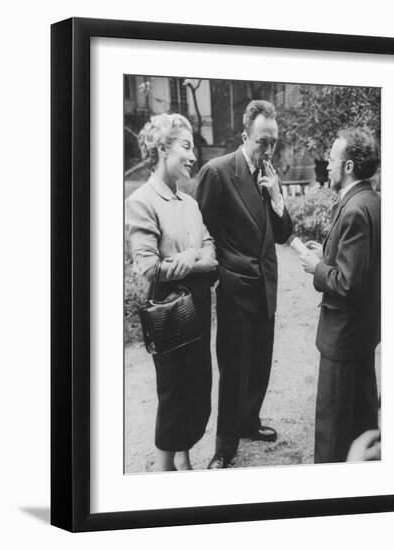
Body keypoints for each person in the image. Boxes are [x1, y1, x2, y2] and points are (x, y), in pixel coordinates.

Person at [196, 100, 292, 469]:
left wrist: (277, 198)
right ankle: (224, 446)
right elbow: (202, 230)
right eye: (262, 142)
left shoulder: (269, 175)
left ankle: (249, 422)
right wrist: (222, 272)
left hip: (266, 287)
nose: (268, 150)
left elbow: (282, 234)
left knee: (260, 364)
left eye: (274, 142)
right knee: (234, 369)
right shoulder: (218, 172)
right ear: (244, 136)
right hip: (237, 290)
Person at [125, 113, 218, 471]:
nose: (194, 155)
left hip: (197, 305)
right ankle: (165, 476)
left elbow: (212, 255)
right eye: (187, 145)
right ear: (163, 148)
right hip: (168, 309)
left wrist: (191, 256)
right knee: (174, 395)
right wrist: (196, 260)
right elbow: (148, 266)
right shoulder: (141, 201)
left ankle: (184, 457)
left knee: (197, 391)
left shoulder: (191, 203)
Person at [300, 127, 381, 463]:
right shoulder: (372, 201)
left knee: (333, 433)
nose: (327, 165)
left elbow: (348, 283)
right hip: (362, 336)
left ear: (348, 166)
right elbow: (361, 267)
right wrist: (327, 254)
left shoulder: (353, 210)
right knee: (362, 421)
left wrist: (317, 267)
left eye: (332, 159)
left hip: (342, 339)